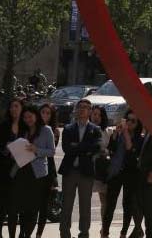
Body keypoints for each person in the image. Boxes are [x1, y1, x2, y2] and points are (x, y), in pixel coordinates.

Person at [59, 98, 102, 238]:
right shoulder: (68, 128)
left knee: (85, 205)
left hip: (86, 172)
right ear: (76, 110)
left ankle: (84, 232)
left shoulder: (95, 130)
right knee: (66, 205)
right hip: (70, 171)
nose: (82, 109)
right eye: (80, 107)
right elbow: (66, 148)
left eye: (86, 107)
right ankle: (64, 233)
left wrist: (76, 146)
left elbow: (96, 147)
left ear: (90, 111)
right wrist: (84, 148)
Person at [11, 104, 56, 237]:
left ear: (36, 116)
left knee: (33, 208)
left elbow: (52, 151)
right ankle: (22, 233)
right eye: (25, 117)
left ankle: (27, 234)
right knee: (22, 207)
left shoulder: (46, 130)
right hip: (22, 171)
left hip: (37, 174)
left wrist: (37, 150)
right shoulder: (23, 130)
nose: (28, 119)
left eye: (30, 116)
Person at [101, 109, 144, 239]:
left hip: (131, 173)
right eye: (128, 119)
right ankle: (105, 232)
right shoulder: (119, 133)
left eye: (133, 121)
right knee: (110, 204)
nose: (130, 123)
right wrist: (115, 135)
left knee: (128, 204)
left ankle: (123, 233)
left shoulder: (139, 138)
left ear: (138, 124)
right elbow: (111, 149)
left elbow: (130, 150)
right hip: (116, 172)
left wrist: (125, 132)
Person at [0, 97, 26, 238]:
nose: (13, 109)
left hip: (20, 170)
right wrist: (9, 149)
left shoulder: (26, 126)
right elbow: (1, 146)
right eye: (11, 107)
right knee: (2, 202)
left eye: (16, 106)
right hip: (5, 169)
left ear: (21, 108)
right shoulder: (4, 125)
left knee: (16, 205)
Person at [36, 104, 60, 238]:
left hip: (48, 169)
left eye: (48, 113)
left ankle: (39, 234)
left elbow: (50, 151)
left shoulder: (53, 131)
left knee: (44, 206)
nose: (44, 115)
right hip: (32, 169)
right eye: (42, 112)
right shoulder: (32, 128)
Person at [90, 106, 112, 225]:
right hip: (90, 168)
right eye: (94, 114)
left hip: (104, 169)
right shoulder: (87, 130)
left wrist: (106, 152)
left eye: (98, 115)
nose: (96, 117)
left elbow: (113, 148)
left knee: (105, 200)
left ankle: (104, 227)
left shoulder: (108, 131)